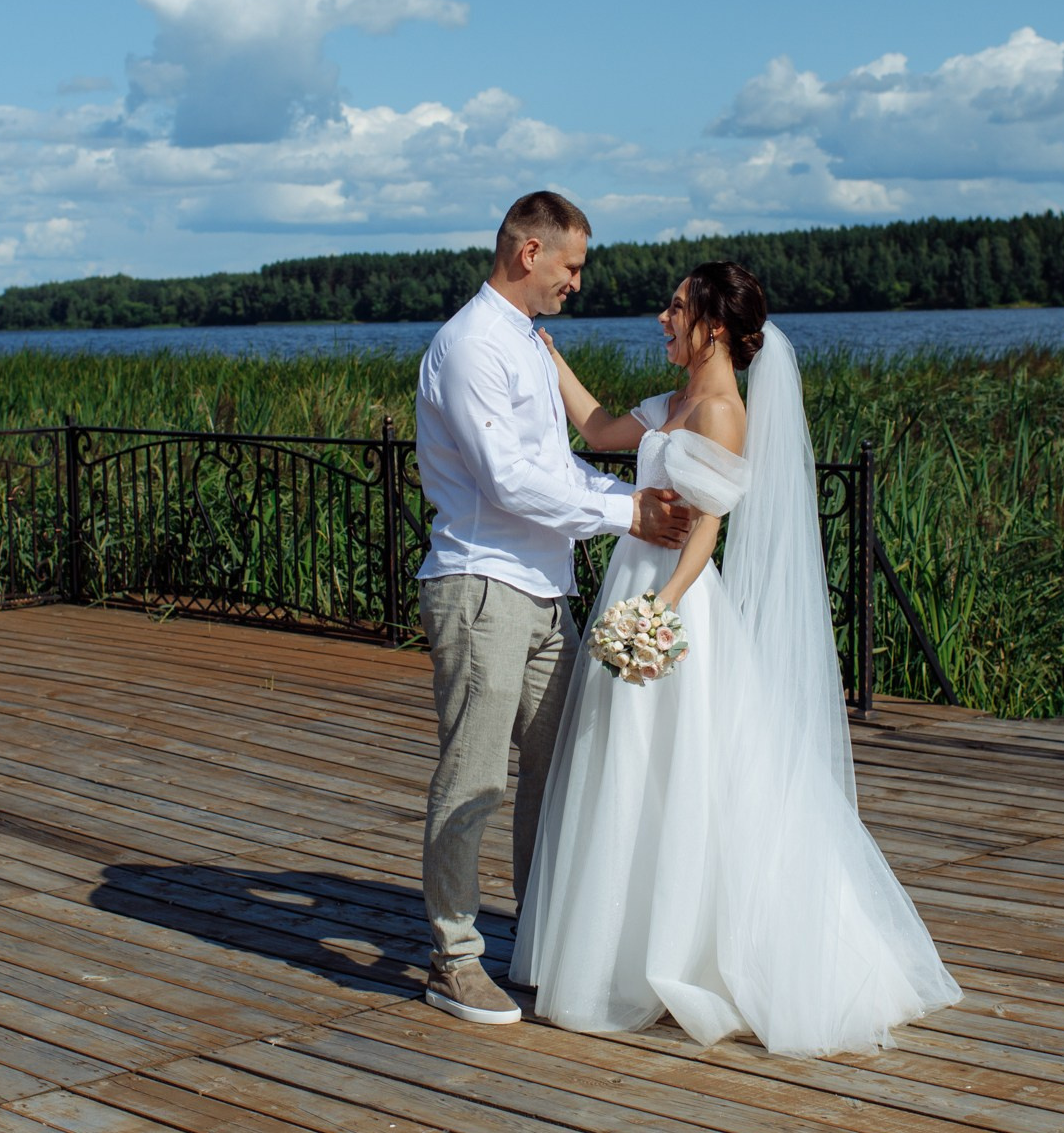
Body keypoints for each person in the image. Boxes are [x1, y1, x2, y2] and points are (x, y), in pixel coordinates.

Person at [513, 260, 962, 1056]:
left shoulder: (721, 411)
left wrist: (657, 613)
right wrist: (548, 358)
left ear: (713, 325)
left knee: (682, 769)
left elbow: (706, 531)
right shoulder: (675, 401)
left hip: (675, 603)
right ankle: (618, 941)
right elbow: (597, 430)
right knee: (624, 768)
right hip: (636, 586)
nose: (662, 316)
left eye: (676, 307)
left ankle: (685, 951)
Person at [412, 190, 695, 1025]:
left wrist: (626, 493)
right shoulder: (469, 347)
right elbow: (506, 479)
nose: (578, 282)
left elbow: (559, 465)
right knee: (474, 777)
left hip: (544, 591)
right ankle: (453, 957)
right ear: (529, 252)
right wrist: (627, 512)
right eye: (571, 265)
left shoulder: (529, 346)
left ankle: (537, 940)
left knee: (555, 775)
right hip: (481, 585)